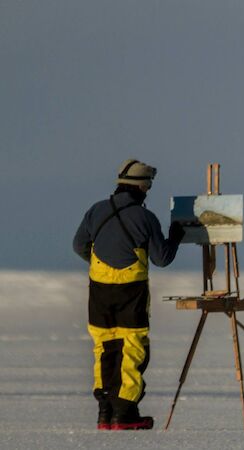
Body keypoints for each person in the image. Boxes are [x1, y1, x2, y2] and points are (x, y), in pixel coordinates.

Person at [73, 159, 184, 430]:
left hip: (98, 290)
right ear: (143, 187)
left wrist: (102, 264)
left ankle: (105, 412)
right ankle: (125, 414)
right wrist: (176, 236)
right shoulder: (145, 218)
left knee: (104, 345)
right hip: (130, 291)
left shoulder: (96, 210)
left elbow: (79, 246)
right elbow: (162, 258)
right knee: (132, 346)